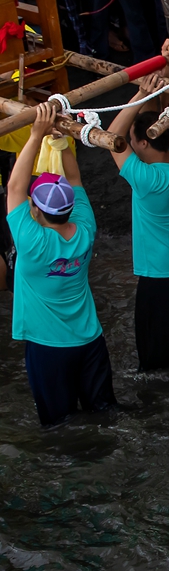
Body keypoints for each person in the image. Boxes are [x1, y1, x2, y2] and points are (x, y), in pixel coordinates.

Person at [7, 102, 114, 427]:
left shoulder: (32, 241)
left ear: (36, 211)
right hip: (90, 342)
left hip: (49, 349)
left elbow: (13, 186)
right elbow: (75, 178)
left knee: (58, 425)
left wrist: (37, 133)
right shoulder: (84, 228)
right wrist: (62, 137)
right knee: (103, 414)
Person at [106, 75, 169, 372]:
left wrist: (139, 95)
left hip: (160, 276)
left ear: (145, 142)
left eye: (135, 141)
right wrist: (154, 95)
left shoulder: (147, 180)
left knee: (153, 360)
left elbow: (112, 136)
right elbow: (164, 126)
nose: (130, 144)